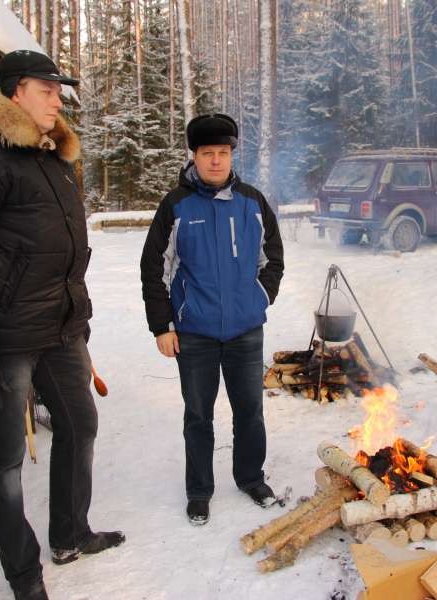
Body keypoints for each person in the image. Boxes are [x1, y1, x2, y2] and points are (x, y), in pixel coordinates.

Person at [0, 50, 125, 600]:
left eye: (59, 90)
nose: (58, 99)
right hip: (3, 342)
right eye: (47, 89)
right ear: (15, 92)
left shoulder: (51, 157)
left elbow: (65, 254)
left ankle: (69, 533)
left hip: (59, 331)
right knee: (4, 462)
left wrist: (78, 323)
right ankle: (25, 576)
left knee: (80, 425)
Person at [140, 114, 285, 526]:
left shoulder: (253, 203)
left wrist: (260, 297)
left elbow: (272, 258)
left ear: (231, 155)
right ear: (195, 156)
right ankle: (199, 491)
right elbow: (154, 268)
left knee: (250, 411)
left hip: (245, 330)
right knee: (198, 415)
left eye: (223, 153)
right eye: (208, 154)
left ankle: (251, 478)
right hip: (196, 332)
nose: (216, 161)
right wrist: (162, 325)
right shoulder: (177, 206)